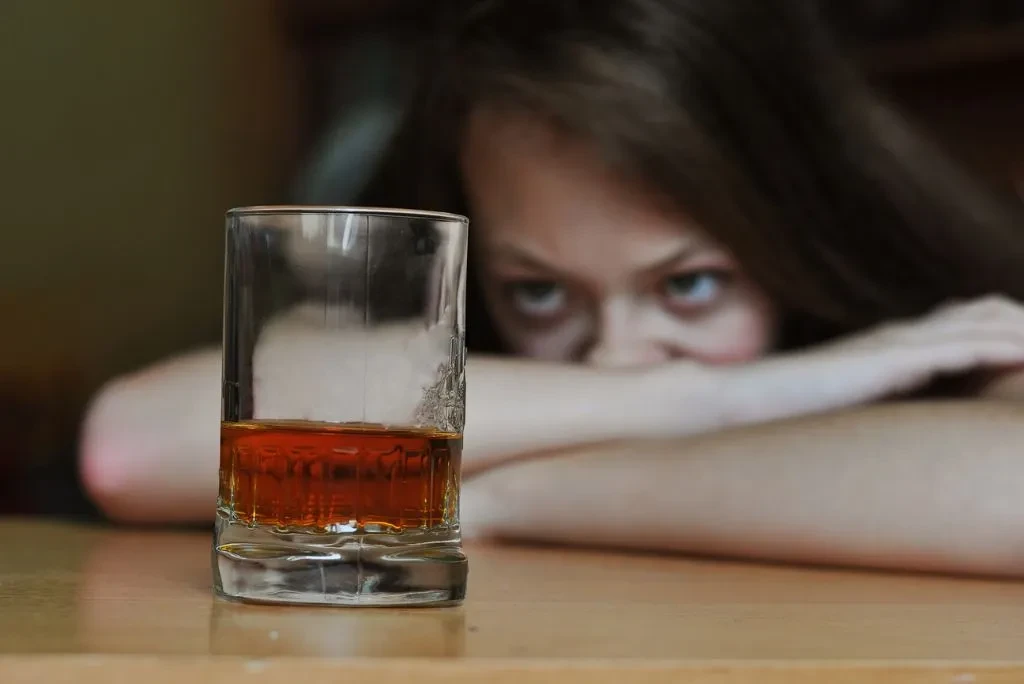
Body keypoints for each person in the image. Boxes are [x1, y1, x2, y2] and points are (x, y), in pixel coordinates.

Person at [81, 0, 1024, 576]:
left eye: (690, 284)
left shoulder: (939, 327)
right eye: (539, 294)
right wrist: (725, 395)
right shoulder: (660, 370)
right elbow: (133, 448)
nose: (617, 355)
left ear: (805, 230)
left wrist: (501, 499)